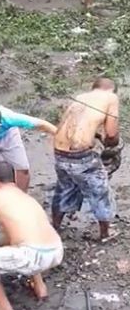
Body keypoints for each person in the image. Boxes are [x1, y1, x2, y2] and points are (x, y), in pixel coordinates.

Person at [0, 161, 63, 310]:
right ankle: (40, 287)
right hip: (55, 251)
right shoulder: (26, 197)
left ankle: (4, 308)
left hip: (33, 255)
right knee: (24, 241)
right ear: (12, 178)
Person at [52, 78, 120, 241]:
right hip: (80, 155)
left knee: (64, 189)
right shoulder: (111, 98)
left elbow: (72, 126)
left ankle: (55, 228)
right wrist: (111, 142)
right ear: (112, 90)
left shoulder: (81, 97)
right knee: (100, 191)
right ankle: (105, 233)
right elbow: (111, 135)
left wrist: (95, 134)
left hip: (59, 152)